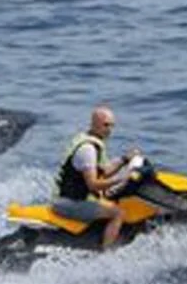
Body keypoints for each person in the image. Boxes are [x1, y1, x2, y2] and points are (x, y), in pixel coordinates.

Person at [51, 105, 139, 248]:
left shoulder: (90, 141)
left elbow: (104, 171)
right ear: (95, 123)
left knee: (114, 200)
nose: (109, 129)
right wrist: (120, 179)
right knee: (118, 213)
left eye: (111, 126)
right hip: (68, 204)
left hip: (70, 199)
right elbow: (93, 184)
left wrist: (125, 159)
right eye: (105, 125)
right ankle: (106, 253)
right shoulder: (88, 149)